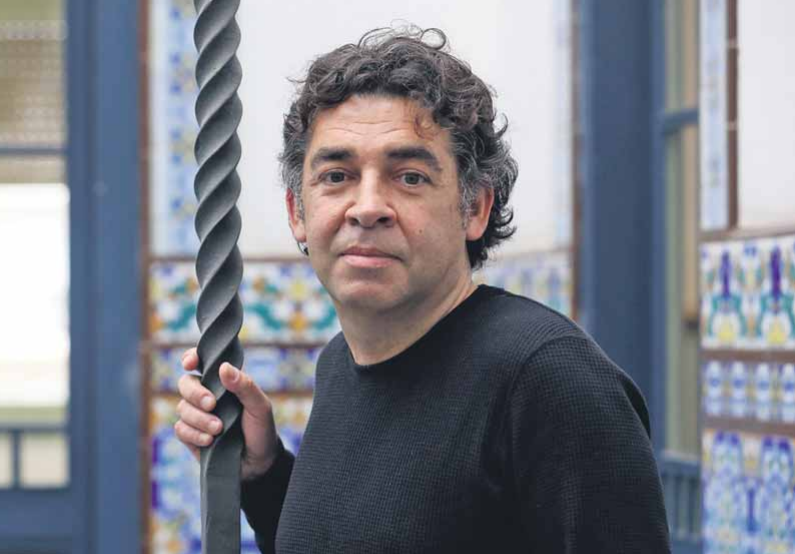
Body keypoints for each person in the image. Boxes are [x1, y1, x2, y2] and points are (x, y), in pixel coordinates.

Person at [175, 27, 671, 553]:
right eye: (337, 176)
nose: (368, 207)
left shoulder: (546, 379)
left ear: (474, 208)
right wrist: (263, 471)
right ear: (298, 212)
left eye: (409, 177)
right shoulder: (341, 362)